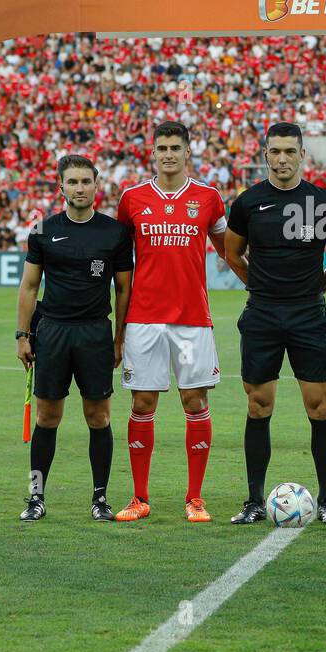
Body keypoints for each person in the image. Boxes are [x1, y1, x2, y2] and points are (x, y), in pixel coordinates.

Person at [223, 122, 326, 525]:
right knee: (258, 406)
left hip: (308, 315)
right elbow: (233, 254)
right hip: (262, 315)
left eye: (290, 151)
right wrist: (258, 286)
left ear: (302, 154)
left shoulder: (322, 203)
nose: (282, 158)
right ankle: (255, 500)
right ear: (265, 155)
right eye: (275, 151)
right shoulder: (248, 203)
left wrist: (317, 289)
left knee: (319, 406)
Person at [113, 121, 227, 523]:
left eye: (175, 148)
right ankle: (139, 497)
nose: (168, 154)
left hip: (194, 318)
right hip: (144, 318)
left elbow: (229, 249)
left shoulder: (209, 198)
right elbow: (116, 258)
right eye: (161, 148)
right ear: (153, 153)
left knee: (195, 401)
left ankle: (195, 498)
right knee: (142, 402)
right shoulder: (131, 199)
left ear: (188, 152)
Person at [16, 154, 132, 523]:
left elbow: (124, 290)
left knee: (98, 417)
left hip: (95, 332)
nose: (79, 188)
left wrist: (118, 339)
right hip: (53, 332)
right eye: (73, 182)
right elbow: (30, 286)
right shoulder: (42, 230)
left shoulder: (114, 233)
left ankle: (100, 498)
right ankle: (37, 496)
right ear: (61, 186)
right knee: (47, 417)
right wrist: (23, 335)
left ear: (97, 185)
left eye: (86, 181)